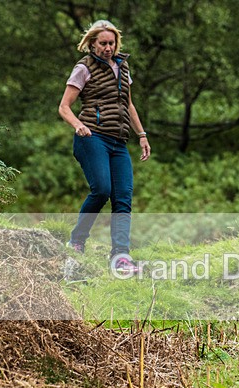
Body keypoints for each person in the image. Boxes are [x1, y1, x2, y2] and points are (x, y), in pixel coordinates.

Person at [58, 20, 150, 274]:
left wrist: (141, 134)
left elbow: (128, 105)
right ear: (92, 44)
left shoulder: (123, 66)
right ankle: (77, 241)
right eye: (103, 43)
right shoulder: (83, 68)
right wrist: (78, 125)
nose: (108, 48)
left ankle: (121, 257)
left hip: (118, 141)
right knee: (101, 190)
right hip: (92, 137)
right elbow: (64, 107)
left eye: (112, 43)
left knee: (123, 197)